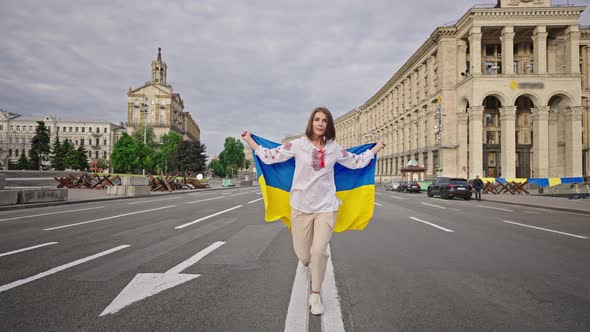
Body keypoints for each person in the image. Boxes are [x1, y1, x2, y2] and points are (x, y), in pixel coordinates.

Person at [241, 107, 385, 316]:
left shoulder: (334, 148)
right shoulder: (298, 145)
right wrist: (250, 141)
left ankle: (315, 294)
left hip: (327, 208)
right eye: (317, 119)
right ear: (311, 123)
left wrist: (376, 149)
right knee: (304, 255)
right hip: (300, 208)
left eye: (324, 120)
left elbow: (355, 162)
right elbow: (271, 156)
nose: (320, 123)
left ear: (328, 125)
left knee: (319, 251)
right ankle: (307, 263)